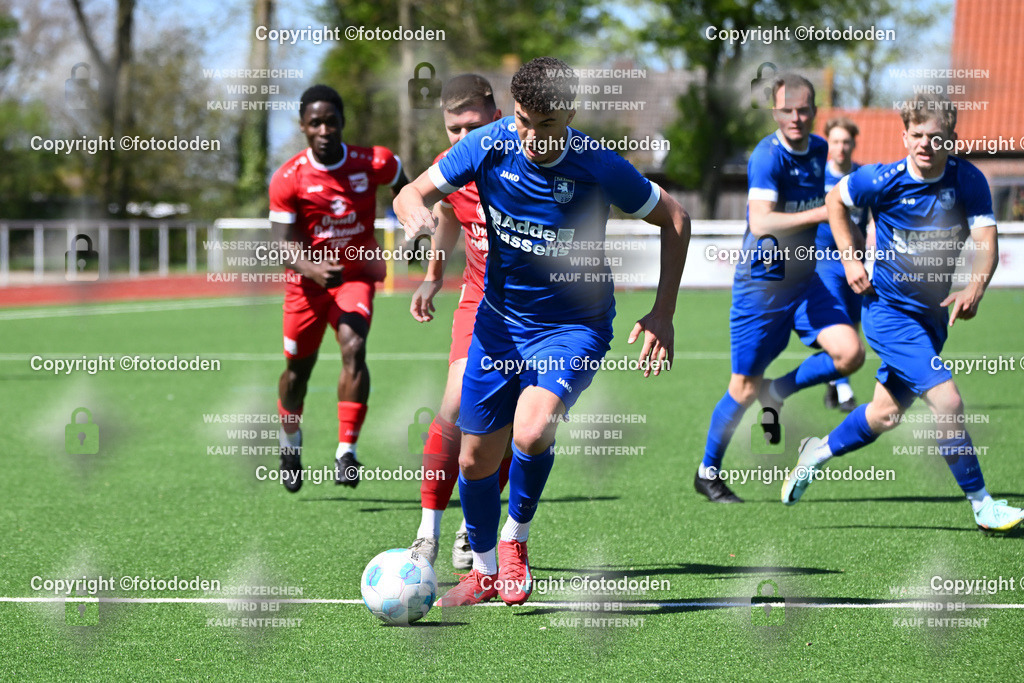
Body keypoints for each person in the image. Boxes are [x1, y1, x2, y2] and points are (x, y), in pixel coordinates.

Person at [394, 56, 690, 606]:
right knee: (474, 459)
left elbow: (675, 219)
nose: (531, 137)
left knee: (531, 432)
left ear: (571, 114)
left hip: (574, 326)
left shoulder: (599, 164)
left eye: (546, 125)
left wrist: (663, 312)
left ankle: (515, 538)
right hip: (499, 323)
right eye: (524, 121)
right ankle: (483, 571)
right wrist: (416, 216)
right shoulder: (487, 145)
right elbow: (411, 192)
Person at [782, 92, 1024, 535]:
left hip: (932, 320)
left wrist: (975, 286)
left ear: (952, 139)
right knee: (948, 401)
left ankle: (817, 451)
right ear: (905, 136)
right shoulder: (880, 179)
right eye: (917, 135)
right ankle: (982, 505)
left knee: (884, 414)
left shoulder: (968, 180)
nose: (925, 144)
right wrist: (851, 259)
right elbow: (835, 201)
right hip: (889, 314)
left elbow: (986, 241)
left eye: (936, 137)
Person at [695, 73, 864, 503]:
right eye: (787, 109)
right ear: (774, 111)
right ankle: (707, 472)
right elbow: (761, 222)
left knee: (850, 354)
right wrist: (821, 214)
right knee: (743, 387)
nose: (795, 117)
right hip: (762, 288)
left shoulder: (821, 151)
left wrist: (853, 253)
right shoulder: (767, 156)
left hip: (806, 280)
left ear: (814, 112)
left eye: (803, 110)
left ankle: (779, 391)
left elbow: (841, 206)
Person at [269, 84, 408, 492]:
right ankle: (290, 440)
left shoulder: (375, 161)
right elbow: (280, 245)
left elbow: (407, 189)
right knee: (297, 374)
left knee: (354, 346)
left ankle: (346, 450)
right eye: (315, 123)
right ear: (303, 127)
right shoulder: (288, 178)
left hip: (355, 277)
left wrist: (411, 229)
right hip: (305, 287)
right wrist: (313, 269)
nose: (324, 130)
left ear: (343, 122)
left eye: (331, 121)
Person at [407, 74, 513, 570]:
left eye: (474, 126)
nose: (464, 137)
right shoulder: (450, 166)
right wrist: (433, 276)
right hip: (479, 300)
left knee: (516, 425)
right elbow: (447, 211)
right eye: (455, 129)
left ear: (497, 117)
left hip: (538, 311)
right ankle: (427, 531)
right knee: (455, 403)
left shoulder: (529, 157)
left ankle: (476, 529)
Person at [817, 118, 872, 412]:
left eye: (846, 142)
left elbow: (875, 217)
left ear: (854, 144)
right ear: (829, 144)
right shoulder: (816, 176)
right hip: (823, 260)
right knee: (836, 319)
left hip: (855, 261)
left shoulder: (864, 177)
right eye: (835, 141)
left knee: (853, 323)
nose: (841, 147)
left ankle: (833, 377)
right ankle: (844, 390)